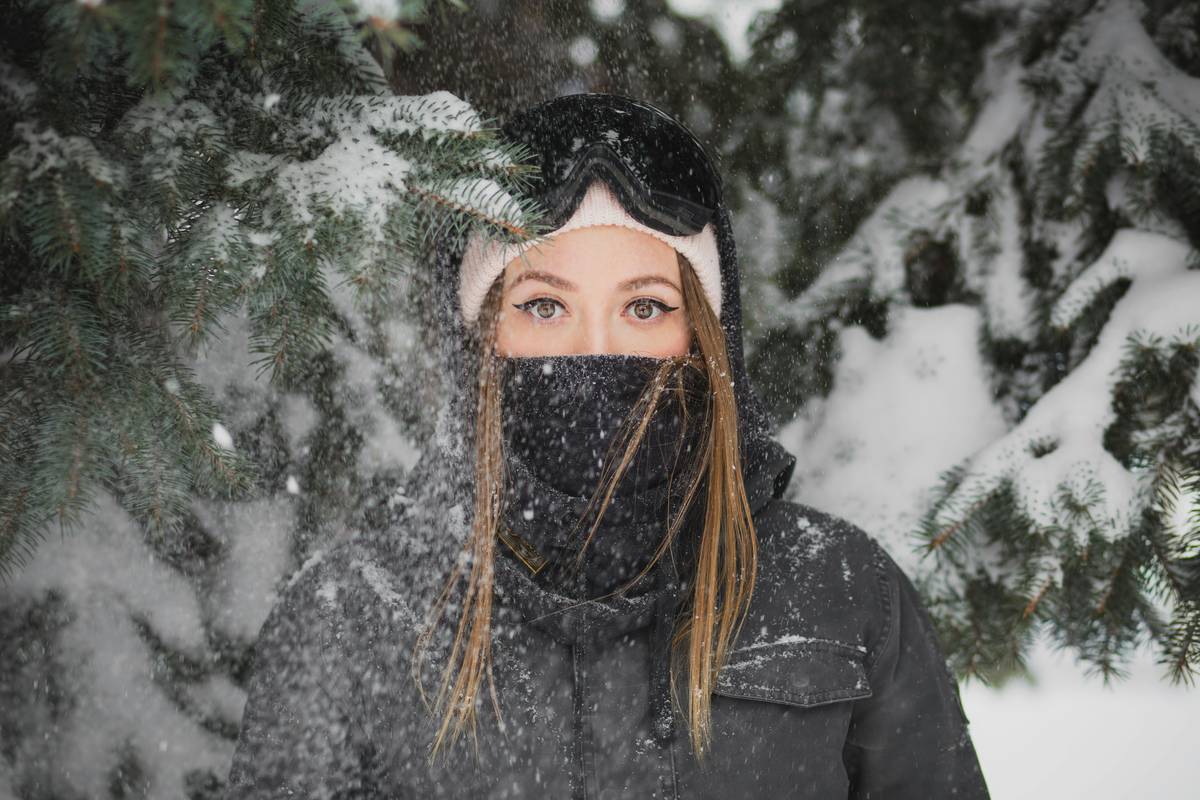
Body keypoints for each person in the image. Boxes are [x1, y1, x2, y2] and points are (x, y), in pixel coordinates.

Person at [226, 93, 990, 799]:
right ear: (479, 336)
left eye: (646, 307)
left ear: (705, 340)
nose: (595, 351)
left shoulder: (841, 592)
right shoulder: (358, 611)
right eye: (545, 305)